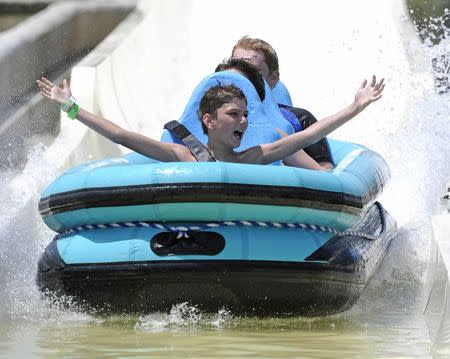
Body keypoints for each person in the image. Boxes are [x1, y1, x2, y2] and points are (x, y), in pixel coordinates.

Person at [36, 74, 384, 165]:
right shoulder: (184, 156)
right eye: (234, 115)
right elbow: (122, 136)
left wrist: (354, 108)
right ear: (209, 120)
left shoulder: (253, 157)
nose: (244, 122)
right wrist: (71, 107)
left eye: (246, 115)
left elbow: (305, 137)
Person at [231, 36, 336, 168]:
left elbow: (327, 172)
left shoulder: (300, 120)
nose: (243, 78)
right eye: (237, 69)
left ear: (273, 78)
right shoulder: (211, 117)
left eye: (252, 72)